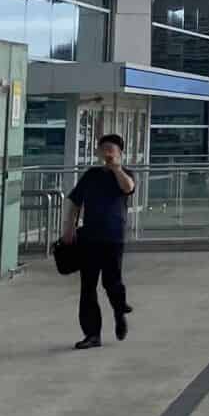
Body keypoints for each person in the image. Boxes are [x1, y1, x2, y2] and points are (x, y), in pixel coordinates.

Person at [63, 133, 135, 349]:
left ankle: (119, 310)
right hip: (90, 238)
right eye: (103, 149)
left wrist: (116, 168)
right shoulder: (91, 175)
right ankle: (92, 334)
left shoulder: (125, 174)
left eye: (111, 149)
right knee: (88, 287)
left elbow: (128, 188)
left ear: (120, 152)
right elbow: (75, 202)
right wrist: (69, 227)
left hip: (113, 237)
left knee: (112, 282)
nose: (106, 153)